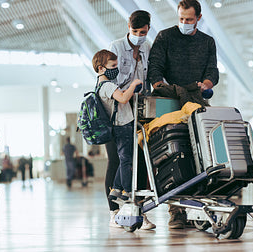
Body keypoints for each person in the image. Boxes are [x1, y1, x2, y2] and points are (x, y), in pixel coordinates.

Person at [147, 0, 219, 229]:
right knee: (170, 152)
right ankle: (176, 211)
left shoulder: (207, 42)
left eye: (189, 19)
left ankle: (196, 204)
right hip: (169, 101)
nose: (184, 23)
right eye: (181, 19)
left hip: (196, 101)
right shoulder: (165, 37)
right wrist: (161, 86)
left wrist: (205, 84)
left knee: (199, 152)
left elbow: (212, 72)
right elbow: (155, 67)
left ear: (198, 18)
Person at [92, 48, 155, 230]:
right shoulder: (108, 86)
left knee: (124, 160)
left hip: (122, 127)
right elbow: (123, 99)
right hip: (122, 128)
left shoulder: (102, 85)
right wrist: (133, 85)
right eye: (113, 66)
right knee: (126, 160)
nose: (116, 69)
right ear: (101, 68)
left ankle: (116, 189)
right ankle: (127, 192)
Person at [107, 10, 156, 230]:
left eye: (143, 31)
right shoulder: (116, 47)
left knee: (141, 161)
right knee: (117, 162)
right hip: (116, 113)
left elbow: (150, 78)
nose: (138, 35)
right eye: (134, 31)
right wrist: (131, 86)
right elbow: (112, 81)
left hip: (138, 111)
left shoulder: (147, 47)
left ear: (148, 29)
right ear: (128, 26)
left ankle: (140, 212)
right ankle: (114, 212)